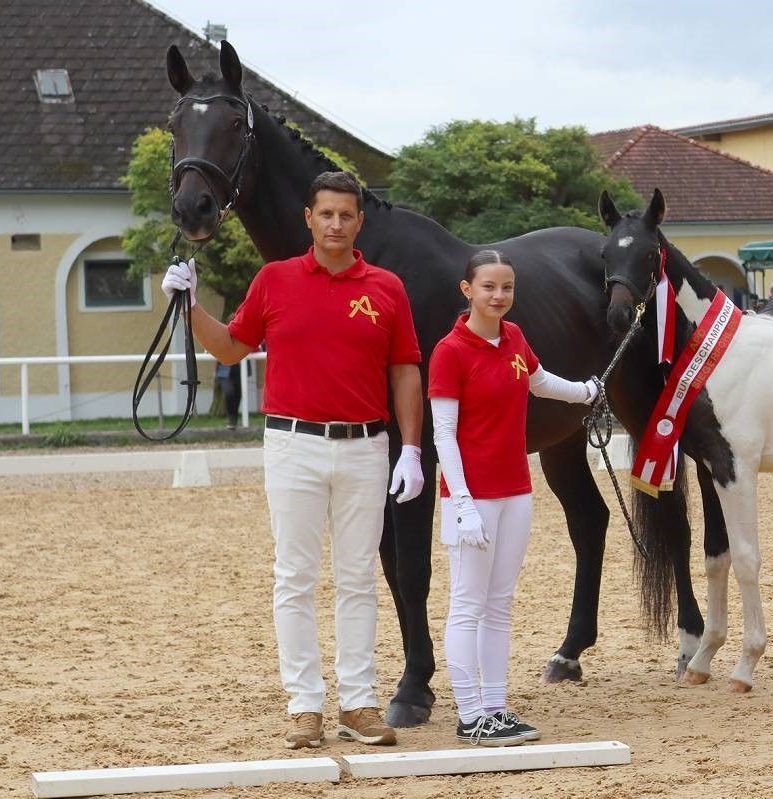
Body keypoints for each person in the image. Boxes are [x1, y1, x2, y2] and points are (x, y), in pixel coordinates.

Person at [161, 171, 425, 749]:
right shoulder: (274, 280)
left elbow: (405, 368)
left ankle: (357, 702)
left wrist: (412, 447)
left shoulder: (386, 288)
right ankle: (304, 704)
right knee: (295, 577)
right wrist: (189, 305)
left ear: (360, 221)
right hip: (292, 444)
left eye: (346, 215)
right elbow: (232, 345)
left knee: (358, 578)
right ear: (309, 218)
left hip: (366, 446)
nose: (335, 224)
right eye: (325, 214)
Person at [429, 250, 598, 747]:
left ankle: (496, 707)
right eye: (488, 287)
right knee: (466, 604)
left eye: (506, 287)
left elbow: (540, 381)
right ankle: (469, 713)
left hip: (515, 490)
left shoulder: (516, 338)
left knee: (499, 604)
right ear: (468, 290)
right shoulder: (450, 351)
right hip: (472, 496)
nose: (498, 296)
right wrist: (460, 501)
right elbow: (443, 433)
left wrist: (585, 392)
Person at [214, 360, 241, 429]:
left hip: (238, 367)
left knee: (238, 394)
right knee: (229, 392)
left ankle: (233, 419)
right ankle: (231, 419)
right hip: (223, 369)